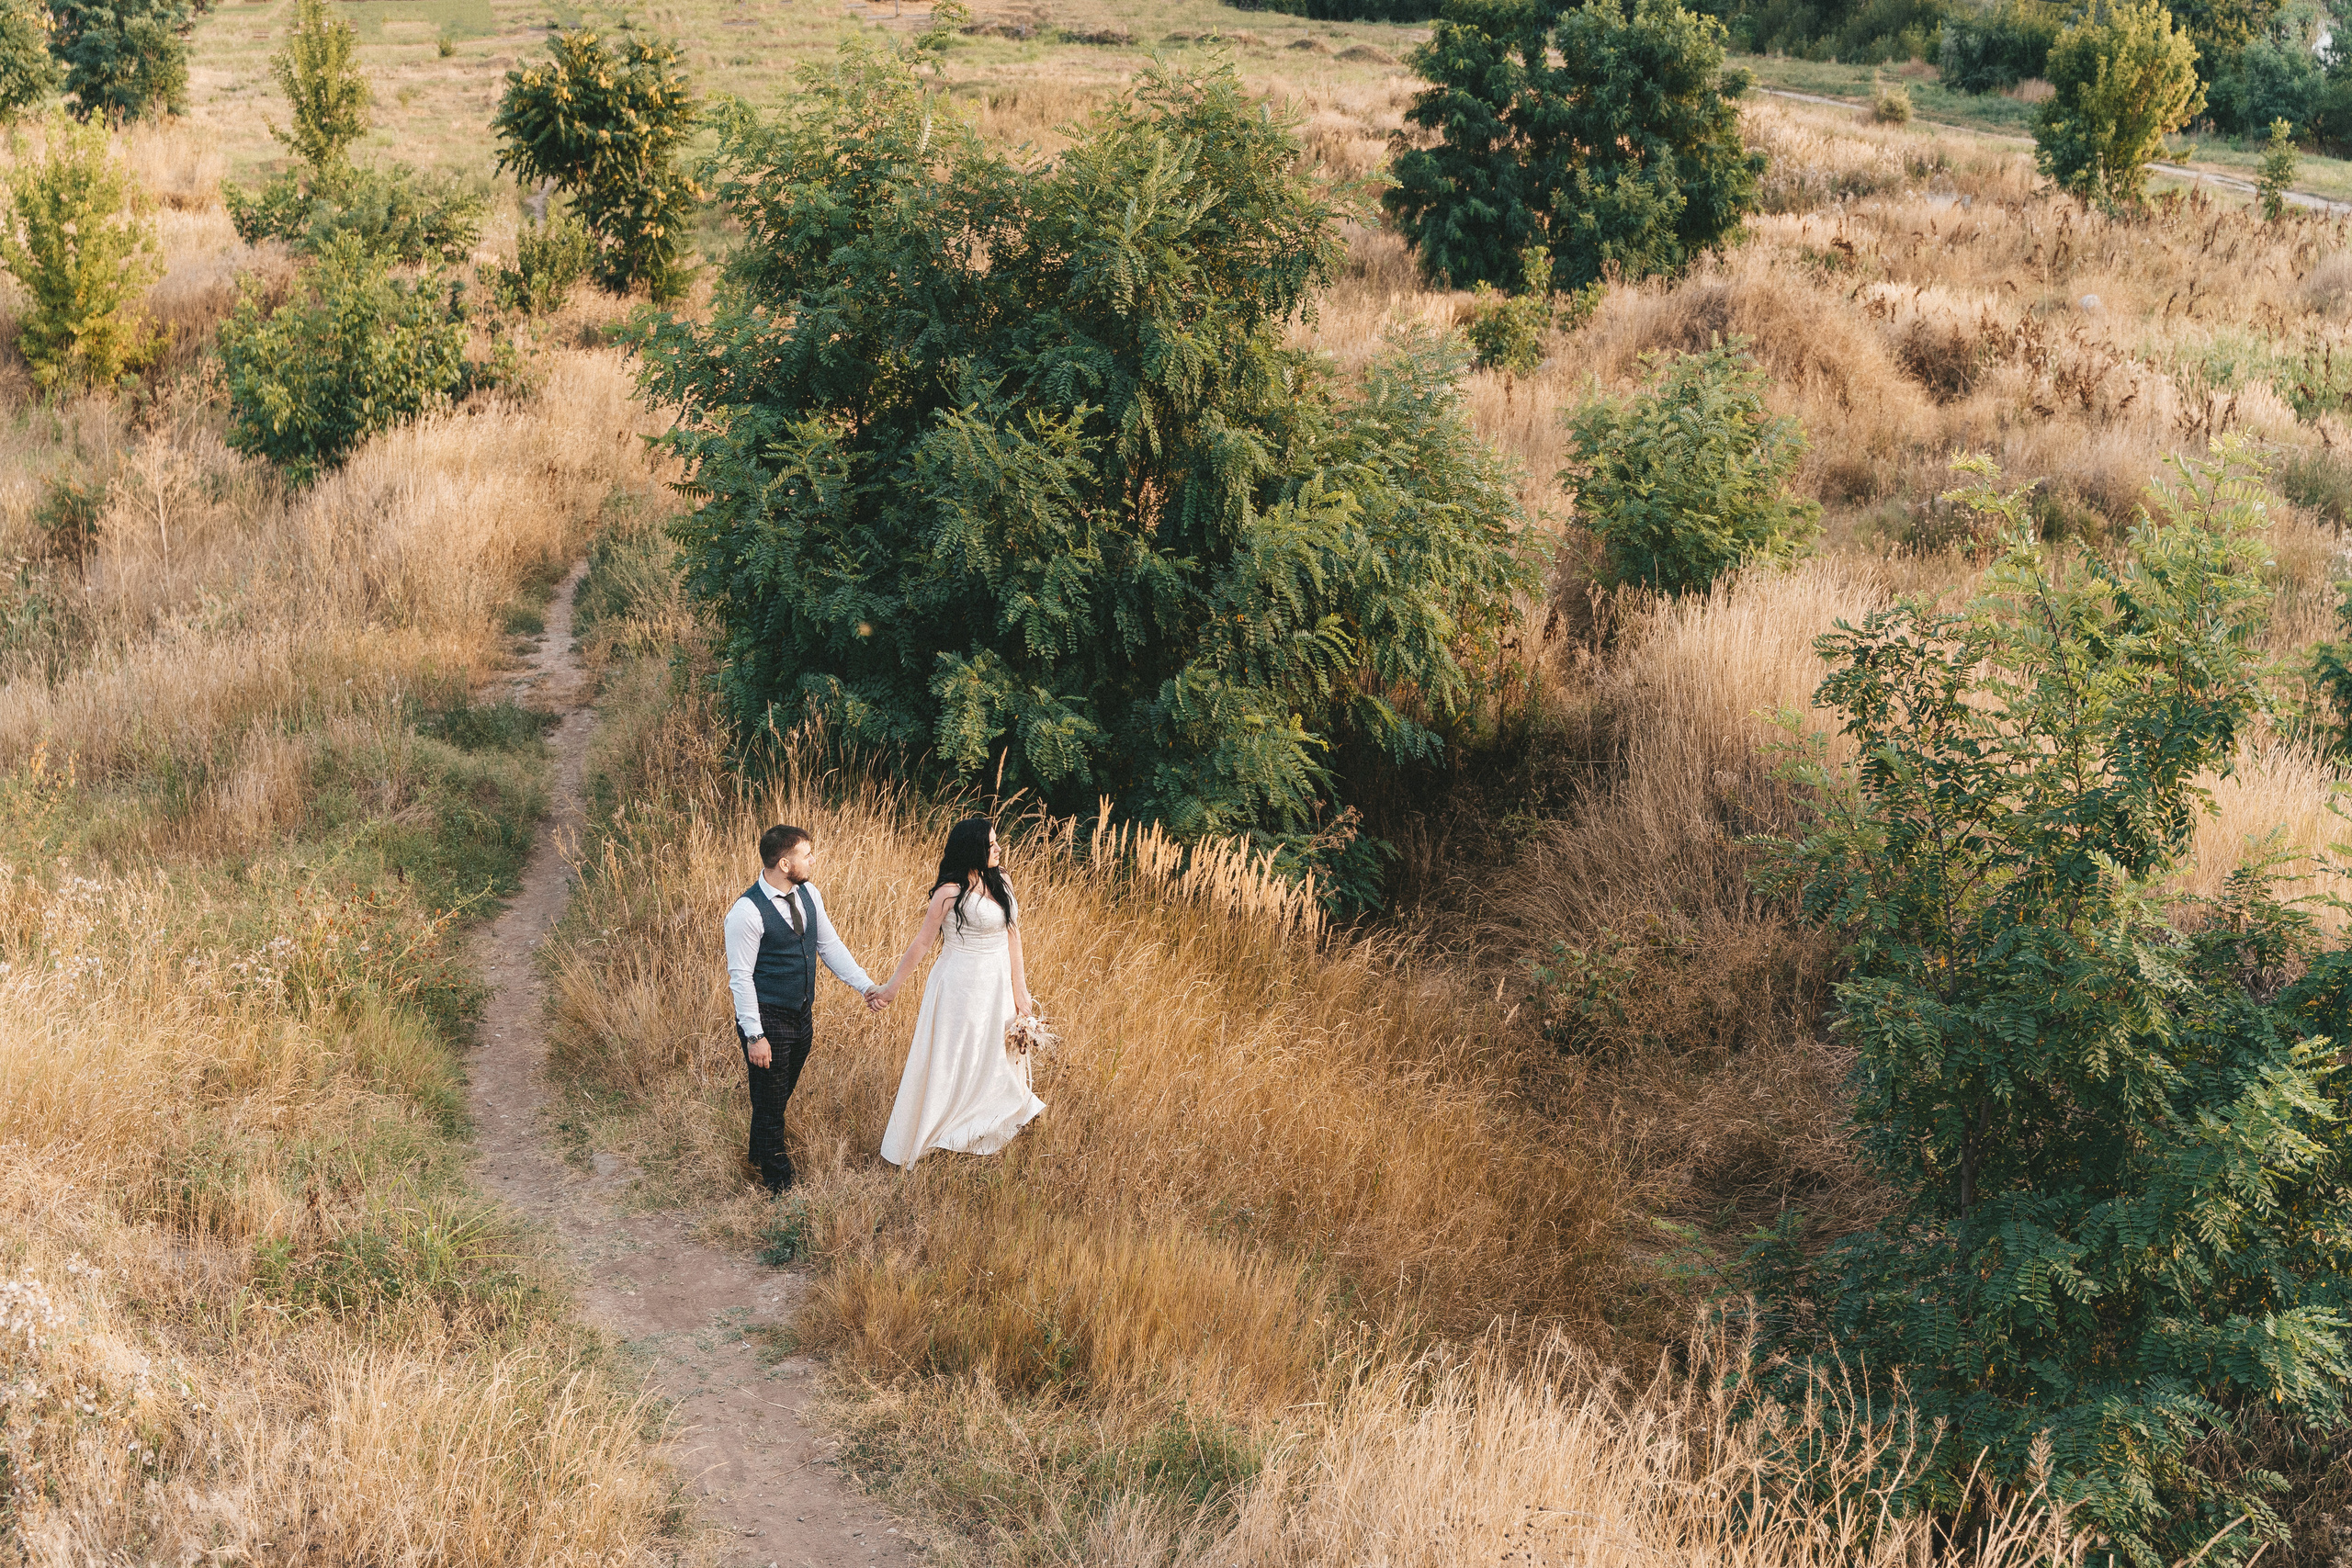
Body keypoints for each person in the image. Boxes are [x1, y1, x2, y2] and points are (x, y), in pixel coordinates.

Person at [723, 824, 888, 1194]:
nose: (813, 859)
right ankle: (778, 1181)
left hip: (801, 1015)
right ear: (784, 863)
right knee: (769, 1099)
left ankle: (758, 1154)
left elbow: (829, 947)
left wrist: (865, 986)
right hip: (767, 1018)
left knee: (775, 1095)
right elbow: (741, 979)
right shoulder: (746, 913)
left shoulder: (809, 893)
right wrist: (754, 1035)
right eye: (807, 854)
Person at [874, 816, 1046, 1167]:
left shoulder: (1003, 882)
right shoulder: (949, 892)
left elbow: (1014, 939)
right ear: (973, 849)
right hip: (959, 986)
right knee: (956, 1057)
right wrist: (890, 989)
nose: (998, 848)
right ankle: (941, 1132)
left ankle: (985, 1126)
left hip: (996, 985)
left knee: (994, 1055)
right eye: (991, 844)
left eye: (997, 842)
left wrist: (1021, 992)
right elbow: (922, 943)